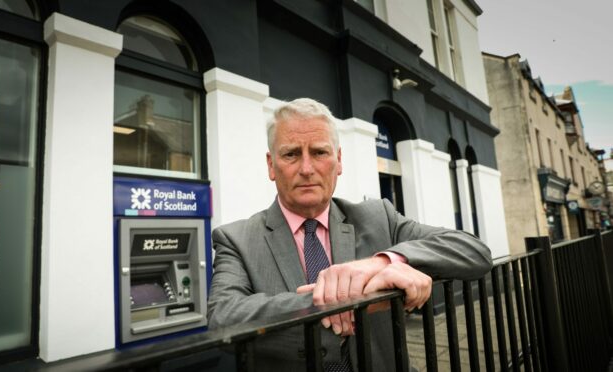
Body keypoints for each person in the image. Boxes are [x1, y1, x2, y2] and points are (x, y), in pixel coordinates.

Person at [207, 98, 493, 371]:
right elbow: (223, 322)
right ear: (271, 165)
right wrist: (344, 299)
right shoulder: (237, 239)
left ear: (339, 160)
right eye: (291, 154)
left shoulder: (379, 217)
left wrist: (383, 262)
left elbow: (475, 251)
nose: (306, 169)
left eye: (319, 152)